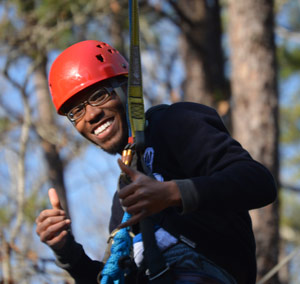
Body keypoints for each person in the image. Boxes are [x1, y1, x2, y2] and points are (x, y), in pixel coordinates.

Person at [35, 40, 277, 284]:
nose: (91, 115)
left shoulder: (174, 124)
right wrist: (67, 252)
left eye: (99, 95)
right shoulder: (123, 201)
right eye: (76, 112)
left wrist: (174, 193)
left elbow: (258, 181)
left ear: (126, 88)